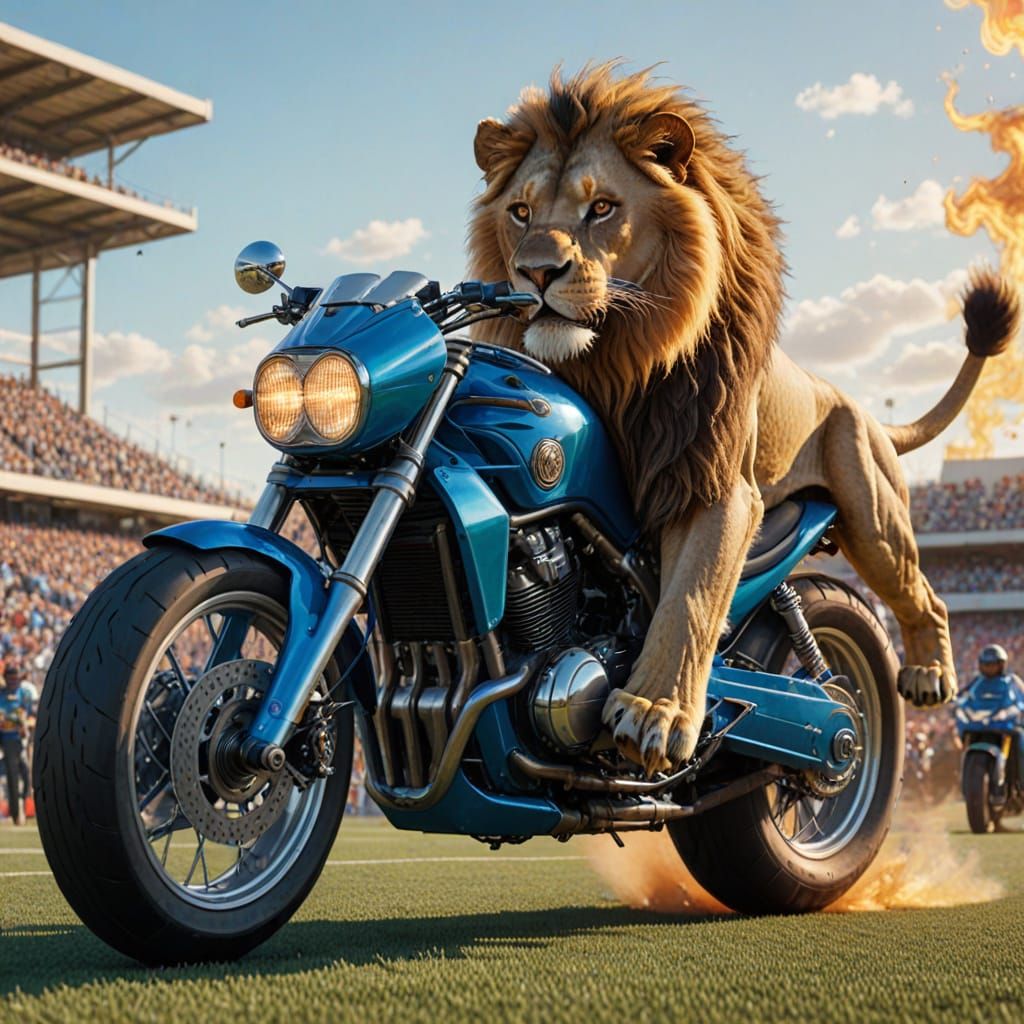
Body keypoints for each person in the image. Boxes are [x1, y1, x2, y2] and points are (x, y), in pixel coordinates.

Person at [0, 661, 35, 825]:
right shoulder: (1, 695)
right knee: (12, 778)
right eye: (10, 679)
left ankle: (26, 803)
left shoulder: (25, 695)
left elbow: (33, 717)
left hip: (23, 740)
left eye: (15, 679)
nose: (13, 682)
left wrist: (25, 724)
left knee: (27, 773)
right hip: (7, 741)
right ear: (5, 679)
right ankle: (16, 814)